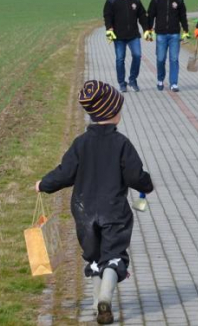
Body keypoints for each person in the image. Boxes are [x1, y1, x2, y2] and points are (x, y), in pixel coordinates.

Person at [35, 80, 153, 325]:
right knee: (114, 256)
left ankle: (94, 303)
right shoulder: (122, 144)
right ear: (113, 114)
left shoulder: (80, 144)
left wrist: (43, 184)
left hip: (84, 211)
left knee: (93, 257)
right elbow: (134, 175)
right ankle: (105, 300)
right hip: (114, 211)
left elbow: (65, 173)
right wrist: (146, 185)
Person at [103, 0, 152, 92]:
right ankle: (121, 83)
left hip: (133, 35)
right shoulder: (111, 0)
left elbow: (142, 15)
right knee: (120, 59)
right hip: (119, 36)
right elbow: (107, 16)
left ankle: (132, 79)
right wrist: (109, 29)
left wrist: (146, 30)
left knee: (137, 56)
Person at [147, 0, 190, 92]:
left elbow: (183, 16)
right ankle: (160, 79)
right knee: (160, 59)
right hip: (160, 34)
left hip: (174, 34)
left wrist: (186, 30)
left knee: (174, 59)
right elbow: (151, 14)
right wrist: (148, 29)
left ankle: (174, 83)